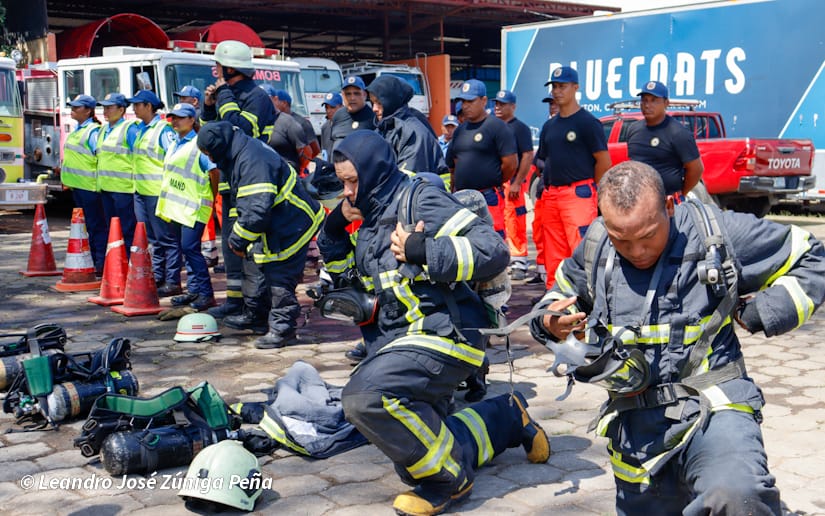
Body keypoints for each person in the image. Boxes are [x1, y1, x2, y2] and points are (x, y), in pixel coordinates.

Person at [530, 160, 825, 515]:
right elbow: (556, 297)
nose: (637, 251)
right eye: (622, 239)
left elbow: (812, 256)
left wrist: (767, 310)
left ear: (669, 206)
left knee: (735, 494)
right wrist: (549, 322)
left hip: (713, 405)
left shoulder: (714, 233)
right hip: (636, 427)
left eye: (647, 236)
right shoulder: (596, 247)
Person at [317, 130, 550, 516]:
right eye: (343, 183)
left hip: (445, 333)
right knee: (423, 443)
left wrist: (424, 249)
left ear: (374, 171)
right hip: (397, 342)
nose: (347, 192)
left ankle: (449, 481)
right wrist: (333, 228)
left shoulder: (418, 199)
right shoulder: (368, 215)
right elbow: (346, 279)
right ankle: (508, 415)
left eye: (353, 181)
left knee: (365, 398)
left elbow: (493, 251)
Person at [198, 121, 324, 348]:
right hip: (276, 222)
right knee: (258, 267)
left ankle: (282, 330)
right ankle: (257, 317)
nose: (212, 160)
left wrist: (238, 240)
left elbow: (256, 209)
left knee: (279, 275)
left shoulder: (252, 161)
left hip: (292, 224)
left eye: (210, 154)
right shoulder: (239, 151)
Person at [200, 40, 275, 323]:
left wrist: (223, 97)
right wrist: (209, 108)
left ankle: (256, 307)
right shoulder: (227, 95)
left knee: (251, 246)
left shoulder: (256, 97)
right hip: (230, 181)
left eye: (218, 65)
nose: (215, 71)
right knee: (231, 245)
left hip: (252, 181)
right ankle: (234, 302)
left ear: (230, 68)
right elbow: (211, 135)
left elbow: (241, 130)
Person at [539, 66, 611, 290]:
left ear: (576, 87)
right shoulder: (549, 126)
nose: (557, 91)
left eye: (562, 86)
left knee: (581, 249)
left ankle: (586, 296)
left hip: (577, 194)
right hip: (552, 195)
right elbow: (545, 160)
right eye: (554, 87)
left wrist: (592, 189)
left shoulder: (587, 122)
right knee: (554, 251)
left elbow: (603, 162)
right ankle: (555, 296)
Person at [156, 103, 218, 311]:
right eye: (173, 117)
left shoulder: (198, 144)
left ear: (192, 120)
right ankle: (194, 290)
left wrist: (212, 196)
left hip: (195, 206)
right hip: (179, 208)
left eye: (180, 117)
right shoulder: (175, 143)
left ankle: (206, 294)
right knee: (187, 250)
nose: (175, 121)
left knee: (191, 249)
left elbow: (214, 172)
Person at [445, 79, 517, 238]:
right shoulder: (460, 131)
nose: (465, 106)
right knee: (464, 240)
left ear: (484, 101)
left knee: (492, 240)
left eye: (470, 101)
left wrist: (493, 180)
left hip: (487, 196)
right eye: (463, 101)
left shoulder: (497, 127)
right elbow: (453, 164)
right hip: (462, 198)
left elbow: (510, 164)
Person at [128, 89, 179, 295]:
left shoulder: (163, 130)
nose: (134, 108)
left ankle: (172, 281)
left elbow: (173, 159)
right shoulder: (141, 129)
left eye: (137, 104)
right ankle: (158, 277)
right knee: (153, 239)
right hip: (141, 191)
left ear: (148, 106)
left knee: (166, 238)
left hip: (157, 192)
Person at [627, 80, 704, 201]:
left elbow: (696, 169)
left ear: (666, 103)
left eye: (654, 100)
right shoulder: (633, 129)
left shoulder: (678, 133)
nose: (647, 105)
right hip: (638, 201)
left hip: (667, 202)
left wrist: (681, 193)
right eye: (644, 100)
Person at [365, 74, 448, 185]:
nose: (374, 108)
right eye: (372, 102)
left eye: (379, 103)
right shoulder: (384, 128)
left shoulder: (412, 133)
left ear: (392, 101)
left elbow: (407, 182)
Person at [61, 94, 106, 275]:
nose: (72, 109)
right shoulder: (78, 129)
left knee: (96, 226)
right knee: (88, 227)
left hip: (90, 188)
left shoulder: (93, 131)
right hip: (79, 187)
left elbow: (100, 158)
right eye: (72, 106)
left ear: (88, 111)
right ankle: (94, 261)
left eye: (77, 107)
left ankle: (100, 263)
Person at [493, 90, 534, 281]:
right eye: (497, 103)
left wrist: (517, 182)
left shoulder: (520, 128)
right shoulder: (493, 126)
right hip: (495, 183)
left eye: (502, 104)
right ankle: (501, 260)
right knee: (498, 223)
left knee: (515, 222)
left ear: (513, 106)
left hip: (512, 183)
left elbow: (527, 155)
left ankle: (519, 261)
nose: (498, 107)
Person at [96, 92, 139, 254]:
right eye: (104, 108)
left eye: (109, 108)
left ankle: (127, 261)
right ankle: (115, 262)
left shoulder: (129, 129)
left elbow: (138, 157)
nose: (105, 111)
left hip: (124, 190)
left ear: (121, 110)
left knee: (127, 230)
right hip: (106, 188)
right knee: (112, 231)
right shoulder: (103, 130)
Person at [531, 93, 561, 285]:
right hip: (546, 190)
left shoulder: (579, 124)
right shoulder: (548, 127)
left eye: (555, 103)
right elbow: (539, 160)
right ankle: (545, 276)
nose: (552, 107)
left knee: (564, 241)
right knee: (541, 233)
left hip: (568, 193)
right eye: (550, 104)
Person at [259, 84, 311, 173]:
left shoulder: (288, 122)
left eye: (265, 98)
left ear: (275, 99)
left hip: (286, 176)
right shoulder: (255, 122)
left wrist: (297, 171)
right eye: (258, 99)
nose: (261, 102)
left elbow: (306, 152)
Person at [273, 89, 321, 164]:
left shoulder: (302, 123)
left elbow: (315, 150)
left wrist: (302, 166)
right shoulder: (273, 120)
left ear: (284, 103)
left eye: (275, 100)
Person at [330, 75, 376, 148]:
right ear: (343, 95)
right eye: (348, 94)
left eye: (356, 93)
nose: (352, 98)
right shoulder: (338, 115)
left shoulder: (373, 118)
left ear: (364, 95)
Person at [319, 91, 343, 161]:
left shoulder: (347, 125)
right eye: (326, 107)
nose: (328, 111)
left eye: (332, 107)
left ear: (341, 107)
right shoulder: (325, 127)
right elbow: (324, 151)